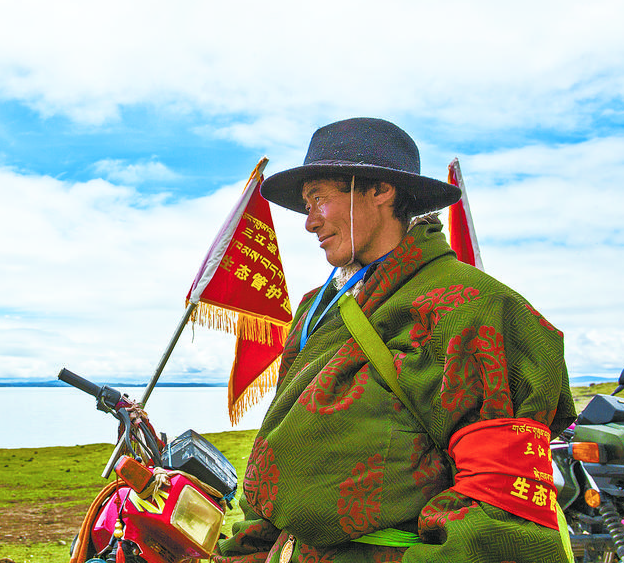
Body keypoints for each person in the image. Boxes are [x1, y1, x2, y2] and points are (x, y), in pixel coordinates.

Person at [212, 118, 576, 563]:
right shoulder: (316, 308)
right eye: (307, 205)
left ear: (380, 190)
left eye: (319, 199)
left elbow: (497, 514)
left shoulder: (473, 307)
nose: (309, 222)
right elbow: (280, 454)